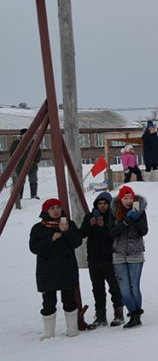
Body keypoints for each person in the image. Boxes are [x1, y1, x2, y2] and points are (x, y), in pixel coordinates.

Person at [31, 198, 83, 338]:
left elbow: (77, 242)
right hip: (47, 270)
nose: (55, 211)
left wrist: (66, 231)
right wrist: (51, 239)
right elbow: (34, 248)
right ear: (46, 211)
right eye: (52, 208)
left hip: (67, 268)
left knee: (69, 300)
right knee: (48, 302)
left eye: (57, 207)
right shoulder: (38, 228)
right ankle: (49, 332)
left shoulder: (68, 224)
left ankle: (72, 329)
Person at [81, 192, 125, 327]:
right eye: (100, 203)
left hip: (110, 258)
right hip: (94, 258)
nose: (102, 206)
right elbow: (81, 233)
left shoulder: (113, 216)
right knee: (97, 288)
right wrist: (90, 224)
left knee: (114, 287)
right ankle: (100, 316)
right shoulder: (90, 216)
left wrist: (103, 227)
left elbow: (115, 235)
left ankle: (119, 314)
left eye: (105, 203)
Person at [109, 185, 148, 328]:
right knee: (123, 288)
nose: (129, 200)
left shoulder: (140, 210)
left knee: (134, 286)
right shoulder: (113, 212)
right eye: (125, 198)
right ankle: (134, 313)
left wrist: (137, 219)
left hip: (136, 251)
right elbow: (111, 232)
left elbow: (144, 231)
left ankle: (135, 317)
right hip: (118, 252)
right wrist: (124, 222)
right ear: (120, 199)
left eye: (131, 197)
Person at [11, 128, 42, 200]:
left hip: (32, 165)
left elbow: (39, 152)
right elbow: (12, 153)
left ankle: (34, 195)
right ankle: (19, 197)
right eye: (24, 134)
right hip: (20, 166)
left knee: (33, 180)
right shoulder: (16, 143)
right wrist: (16, 162)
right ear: (21, 135)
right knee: (20, 181)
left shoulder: (33, 142)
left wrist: (36, 160)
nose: (26, 136)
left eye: (27, 134)